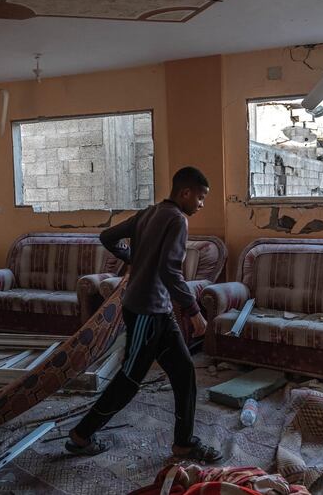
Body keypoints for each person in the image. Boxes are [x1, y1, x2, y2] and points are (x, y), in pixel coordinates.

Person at [65, 166, 222, 463]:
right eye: (200, 198)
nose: (201, 205)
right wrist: (193, 311)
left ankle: (184, 443)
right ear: (185, 192)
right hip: (146, 311)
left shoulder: (149, 213)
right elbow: (170, 270)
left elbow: (107, 236)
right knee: (129, 379)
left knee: (185, 371)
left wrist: (133, 257)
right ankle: (81, 436)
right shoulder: (177, 220)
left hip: (158, 310)